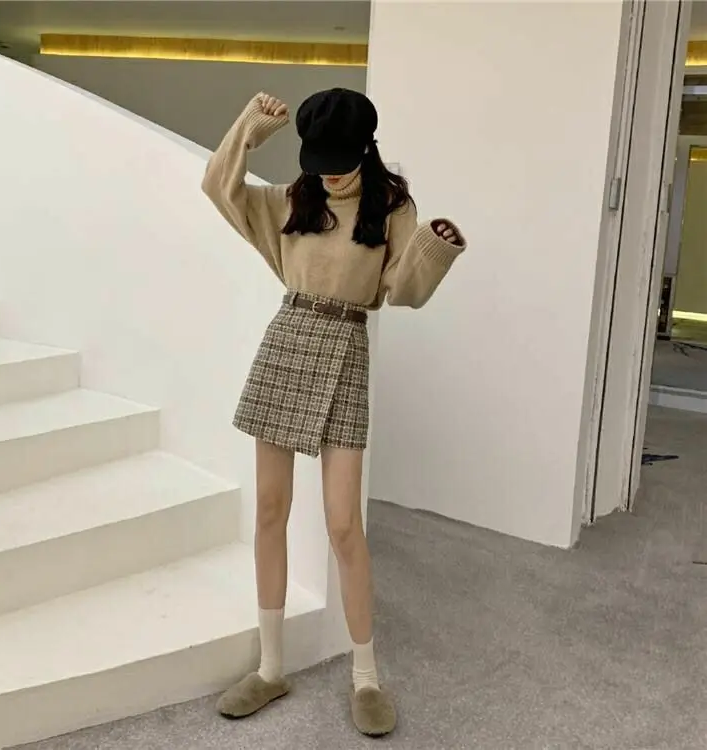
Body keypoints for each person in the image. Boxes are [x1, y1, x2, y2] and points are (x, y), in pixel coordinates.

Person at [201, 88, 466, 737]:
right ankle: (270, 668)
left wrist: (433, 249)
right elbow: (217, 186)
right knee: (270, 509)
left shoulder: (391, 206)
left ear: (365, 149)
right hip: (288, 339)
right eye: (318, 159)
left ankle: (366, 678)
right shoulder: (293, 199)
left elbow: (402, 290)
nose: (327, 173)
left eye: (338, 160)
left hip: (346, 348)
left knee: (344, 524)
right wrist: (248, 130)